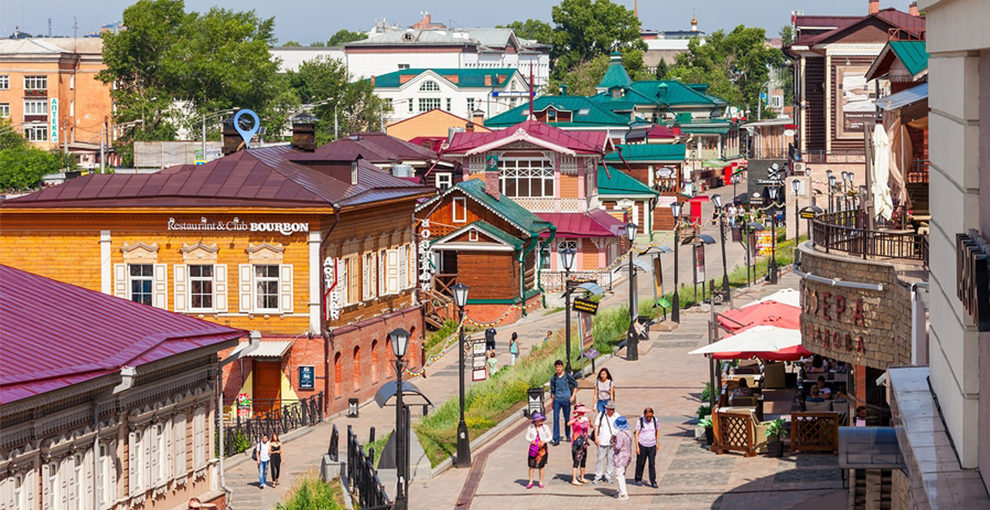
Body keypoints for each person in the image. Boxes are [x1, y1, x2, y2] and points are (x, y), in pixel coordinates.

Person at [548, 360, 577, 445]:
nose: (558, 368)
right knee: (556, 418)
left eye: (560, 366)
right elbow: (552, 391)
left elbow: (575, 384)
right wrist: (552, 402)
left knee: (567, 418)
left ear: (562, 367)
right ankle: (556, 438)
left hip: (566, 399)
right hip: (557, 399)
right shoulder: (553, 378)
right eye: (557, 367)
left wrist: (573, 396)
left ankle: (568, 434)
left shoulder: (568, 376)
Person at [593, 402, 619, 485]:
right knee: (600, 459)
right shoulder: (601, 415)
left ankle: (609, 476)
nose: (611, 411)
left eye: (613, 409)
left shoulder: (617, 416)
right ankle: (598, 476)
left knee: (611, 459)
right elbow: (596, 426)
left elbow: (620, 428)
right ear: (606, 409)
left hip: (612, 442)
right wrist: (596, 438)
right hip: (602, 440)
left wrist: (616, 436)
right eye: (610, 409)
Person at [634, 408, 660, 488]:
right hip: (642, 444)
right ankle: (638, 478)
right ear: (644, 415)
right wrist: (637, 447)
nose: (649, 418)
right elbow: (637, 434)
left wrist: (657, 442)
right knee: (641, 462)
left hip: (652, 445)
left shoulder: (655, 420)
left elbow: (657, 432)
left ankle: (653, 481)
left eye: (650, 417)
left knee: (652, 464)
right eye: (647, 417)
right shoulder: (640, 421)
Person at [567, 404, 592, 485]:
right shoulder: (574, 418)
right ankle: (574, 478)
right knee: (576, 460)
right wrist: (576, 419)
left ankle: (582, 477)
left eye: (583, 412)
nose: (582, 414)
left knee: (583, 459)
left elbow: (591, 426)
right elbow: (568, 424)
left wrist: (590, 421)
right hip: (576, 442)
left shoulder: (585, 420)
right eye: (580, 412)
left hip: (584, 442)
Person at [525, 412, 551, 489]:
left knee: (541, 466)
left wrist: (544, 441)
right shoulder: (531, 427)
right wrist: (531, 440)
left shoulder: (545, 427)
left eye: (541, 420)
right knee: (531, 465)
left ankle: (541, 481)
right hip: (534, 448)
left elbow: (550, 437)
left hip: (542, 448)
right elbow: (527, 436)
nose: (540, 421)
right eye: (538, 420)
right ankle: (530, 481)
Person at [612, 416, 633, 501]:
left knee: (619, 475)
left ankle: (624, 494)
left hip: (621, 457)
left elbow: (618, 446)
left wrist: (614, 443)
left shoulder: (621, 434)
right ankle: (621, 492)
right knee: (622, 474)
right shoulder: (629, 432)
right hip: (628, 455)